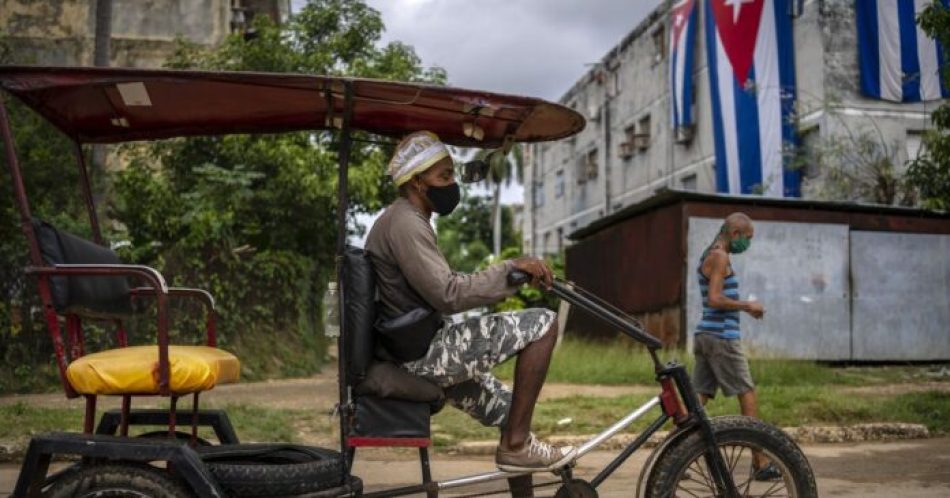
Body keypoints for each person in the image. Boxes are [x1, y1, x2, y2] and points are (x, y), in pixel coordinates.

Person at [365, 131, 576, 472]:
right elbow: (448, 294)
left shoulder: (407, 220)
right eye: (443, 177)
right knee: (544, 324)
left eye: (452, 174)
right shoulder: (405, 223)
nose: (452, 184)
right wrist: (510, 268)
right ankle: (517, 446)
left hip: (416, 347)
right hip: (423, 355)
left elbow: (441, 283)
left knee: (513, 415)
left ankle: (516, 448)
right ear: (418, 183)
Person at [693, 212, 780, 481]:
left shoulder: (709, 252)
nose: (748, 244)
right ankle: (760, 461)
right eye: (748, 238)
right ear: (735, 234)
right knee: (747, 392)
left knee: (700, 396)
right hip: (722, 339)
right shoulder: (720, 256)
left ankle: (675, 450)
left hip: (706, 336)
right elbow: (716, 298)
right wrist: (748, 306)